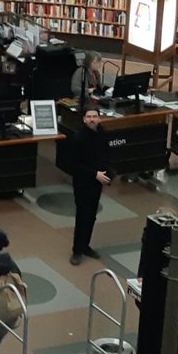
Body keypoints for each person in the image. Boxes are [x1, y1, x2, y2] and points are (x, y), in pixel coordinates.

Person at [69, 107, 114, 265]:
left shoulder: (102, 134)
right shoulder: (78, 137)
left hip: (97, 182)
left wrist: (108, 173)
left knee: (92, 215)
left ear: (99, 119)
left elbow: (106, 155)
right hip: (83, 182)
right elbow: (74, 164)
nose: (92, 119)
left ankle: (85, 245)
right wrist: (94, 174)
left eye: (95, 116)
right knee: (82, 215)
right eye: (89, 117)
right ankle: (77, 250)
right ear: (84, 119)